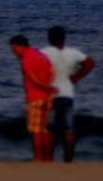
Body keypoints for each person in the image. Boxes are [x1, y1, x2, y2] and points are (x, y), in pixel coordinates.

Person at [40, 26, 94, 162]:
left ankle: (48, 158)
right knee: (68, 129)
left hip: (50, 94)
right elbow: (89, 63)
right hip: (67, 93)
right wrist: (76, 77)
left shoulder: (44, 53)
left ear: (49, 38)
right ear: (64, 38)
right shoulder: (73, 53)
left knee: (49, 129)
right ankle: (68, 159)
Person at [9, 35, 55, 162]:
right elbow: (52, 72)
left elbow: (32, 79)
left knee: (35, 130)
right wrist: (49, 86)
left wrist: (45, 86)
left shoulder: (26, 60)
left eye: (14, 49)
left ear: (20, 46)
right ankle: (48, 157)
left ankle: (38, 157)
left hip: (35, 97)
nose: (14, 52)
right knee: (45, 129)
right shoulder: (41, 55)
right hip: (47, 97)